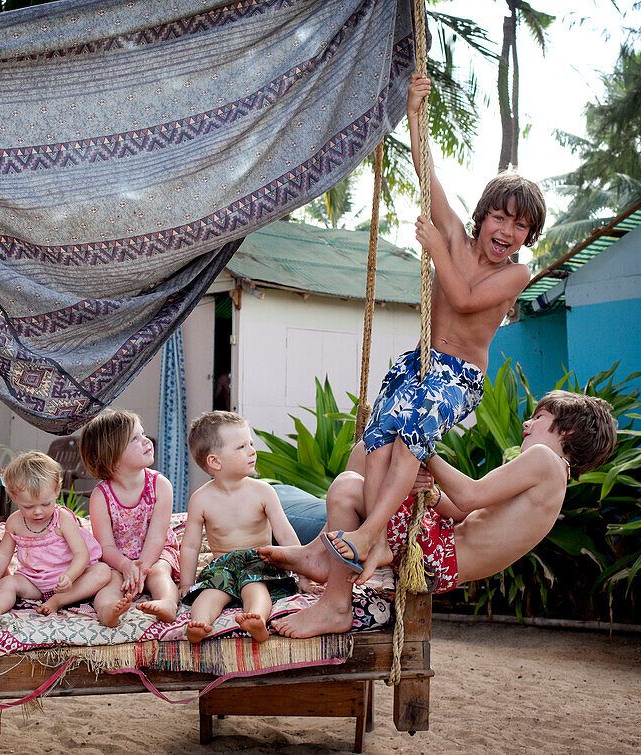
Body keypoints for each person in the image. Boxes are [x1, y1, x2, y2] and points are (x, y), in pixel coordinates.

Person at [328, 72, 547, 582]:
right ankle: (378, 539)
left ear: (527, 237)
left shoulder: (516, 273)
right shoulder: (452, 235)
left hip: (458, 375)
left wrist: (433, 251)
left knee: (409, 439)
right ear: (482, 216)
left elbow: (465, 298)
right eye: (500, 219)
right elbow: (427, 175)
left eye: (520, 228)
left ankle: (368, 533)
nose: (507, 233)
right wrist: (412, 113)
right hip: (421, 363)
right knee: (377, 438)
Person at [262, 391, 617, 638]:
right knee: (368, 451)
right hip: (441, 550)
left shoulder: (546, 461)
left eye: (539, 417)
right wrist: (426, 491)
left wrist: (422, 447)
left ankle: (335, 603)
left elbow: (469, 495)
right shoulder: (553, 477)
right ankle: (320, 553)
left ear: (567, 429)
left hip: (434, 559)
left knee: (349, 486)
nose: (527, 423)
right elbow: (459, 509)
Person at [179, 411, 311, 644]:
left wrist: (304, 574)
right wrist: (187, 584)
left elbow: (285, 534)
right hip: (223, 565)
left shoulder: (263, 492)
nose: (252, 450)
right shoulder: (201, 499)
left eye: (250, 443)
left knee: (255, 587)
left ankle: (257, 619)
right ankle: (199, 624)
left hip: (260, 561)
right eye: (241, 447)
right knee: (211, 592)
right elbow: (190, 546)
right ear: (215, 461)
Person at [0, 452, 124, 625]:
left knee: (102, 571)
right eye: (28, 506)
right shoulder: (15, 522)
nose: (38, 512)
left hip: (69, 582)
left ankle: (57, 601)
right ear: (13, 497)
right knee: (8, 582)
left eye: (45, 504)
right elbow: (3, 555)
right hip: (33, 583)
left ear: (56, 491)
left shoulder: (62, 518)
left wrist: (70, 576)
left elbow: (81, 554)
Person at [80, 409, 181, 623]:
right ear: (112, 455)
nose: (146, 441)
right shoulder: (101, 496)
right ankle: (108, 610)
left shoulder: (160, 485)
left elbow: (156, 538)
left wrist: (143, 568)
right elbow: (105, 547)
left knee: (159, 573)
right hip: (119, 557)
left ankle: (167, 603)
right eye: (135, 438)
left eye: (143, 434)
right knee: (110, 581)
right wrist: (125, 565)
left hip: (155, 551)